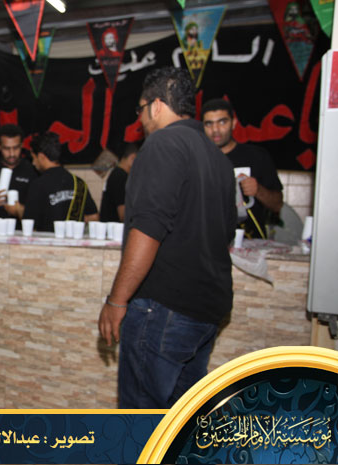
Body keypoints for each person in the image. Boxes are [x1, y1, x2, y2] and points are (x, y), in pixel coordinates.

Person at [98, 67, 237, 409]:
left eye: (141, 110)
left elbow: (148, 229)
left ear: (157, 105)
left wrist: (116, 301)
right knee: (180, 419)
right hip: (206, 310)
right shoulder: (218, 159)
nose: (141, 120)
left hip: (164, 310)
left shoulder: (161, 144)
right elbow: (227, 233)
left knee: (140, 421)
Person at [201, 98, 283, 238]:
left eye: (222, 122)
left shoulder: (256, 156)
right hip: (208, 243)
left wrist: (258, 191)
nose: (215, 130)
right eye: (209, 124)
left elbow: (277, 205)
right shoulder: (197, 160)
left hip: (251, 243)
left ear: (234, 123)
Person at [6, 131, 98, 231]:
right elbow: (93, 217)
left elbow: (31, 226)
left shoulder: (38, 185)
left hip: (48, 240)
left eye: (33, 158)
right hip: (73, 240)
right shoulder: (79, 183)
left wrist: (17, 210)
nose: (33, 163)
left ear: (41, 157)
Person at [0, 124, 37, 219]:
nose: (12, 154)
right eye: (7, 148)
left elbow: (40, 210)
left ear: (22, 145)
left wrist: (21, 210)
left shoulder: (33, 172)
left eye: (15, 148)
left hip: (24, 226)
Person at [99, 142, 138, 222]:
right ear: (132, 158)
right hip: (115, 227)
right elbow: (124, 215)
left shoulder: (116, 174)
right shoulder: (121, 177)